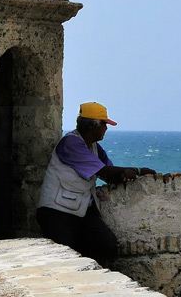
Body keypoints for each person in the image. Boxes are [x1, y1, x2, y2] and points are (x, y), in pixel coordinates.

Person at [35, 101, 155, 267]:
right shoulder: (70, 143)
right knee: (65, 256)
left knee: (107, 244)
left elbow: (110, 173)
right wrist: (137, 170)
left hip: (81, 210)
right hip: (57, 211)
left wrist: (122, 175)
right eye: (104, 124)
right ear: (94, 125)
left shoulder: (95, 149)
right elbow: (103, 171)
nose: (106, 129)